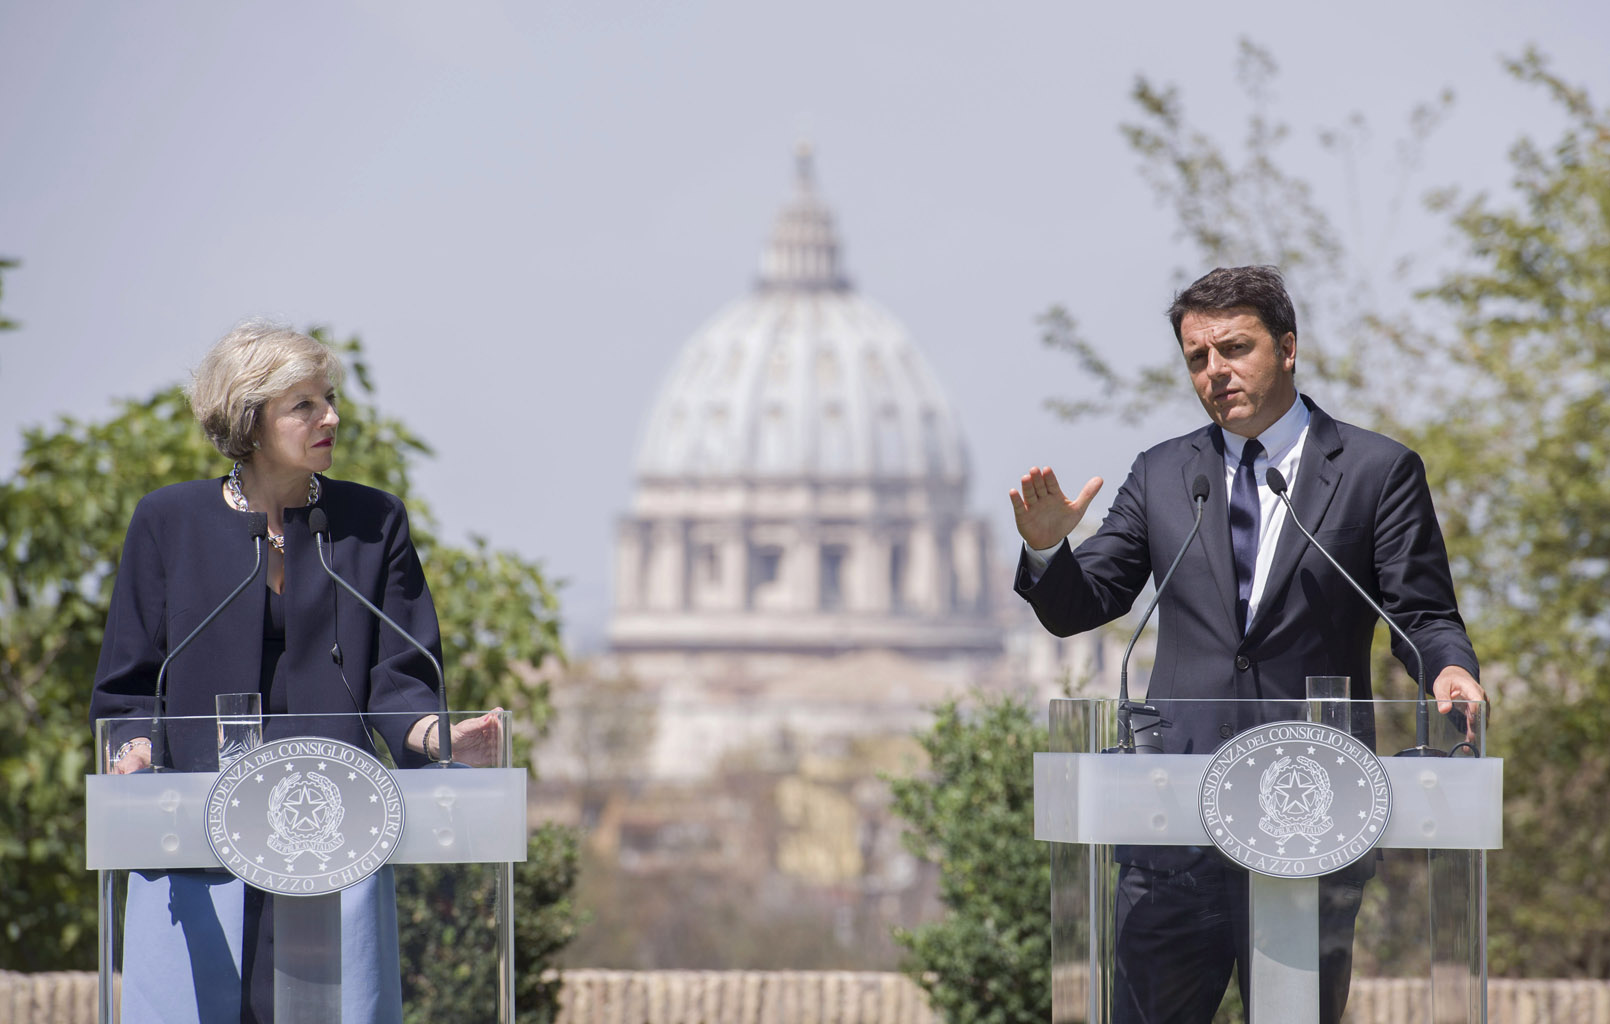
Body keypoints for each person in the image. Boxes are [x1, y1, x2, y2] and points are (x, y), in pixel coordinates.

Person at [1009, 266, 1487, 1024]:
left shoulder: (1375, 472)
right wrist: (1046, 555)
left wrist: (1451, 670)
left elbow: (1419, 613)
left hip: (1310, 816)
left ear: (1288, 347)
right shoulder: (1165, 475)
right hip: (1170, 831)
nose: (1215, 372)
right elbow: (1083, 605)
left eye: (1234, 348)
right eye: (1198, 358)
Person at [90, 320, 504, 1024]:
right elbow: (132, 684)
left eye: (330, 399)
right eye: (304, 404)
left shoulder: (373, 522)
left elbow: (399, 676)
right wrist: (133, 749)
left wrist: (439, 737)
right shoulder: (169, 522)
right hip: (198, 830)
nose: (331, 418)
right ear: (250, 420)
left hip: (332, 830)